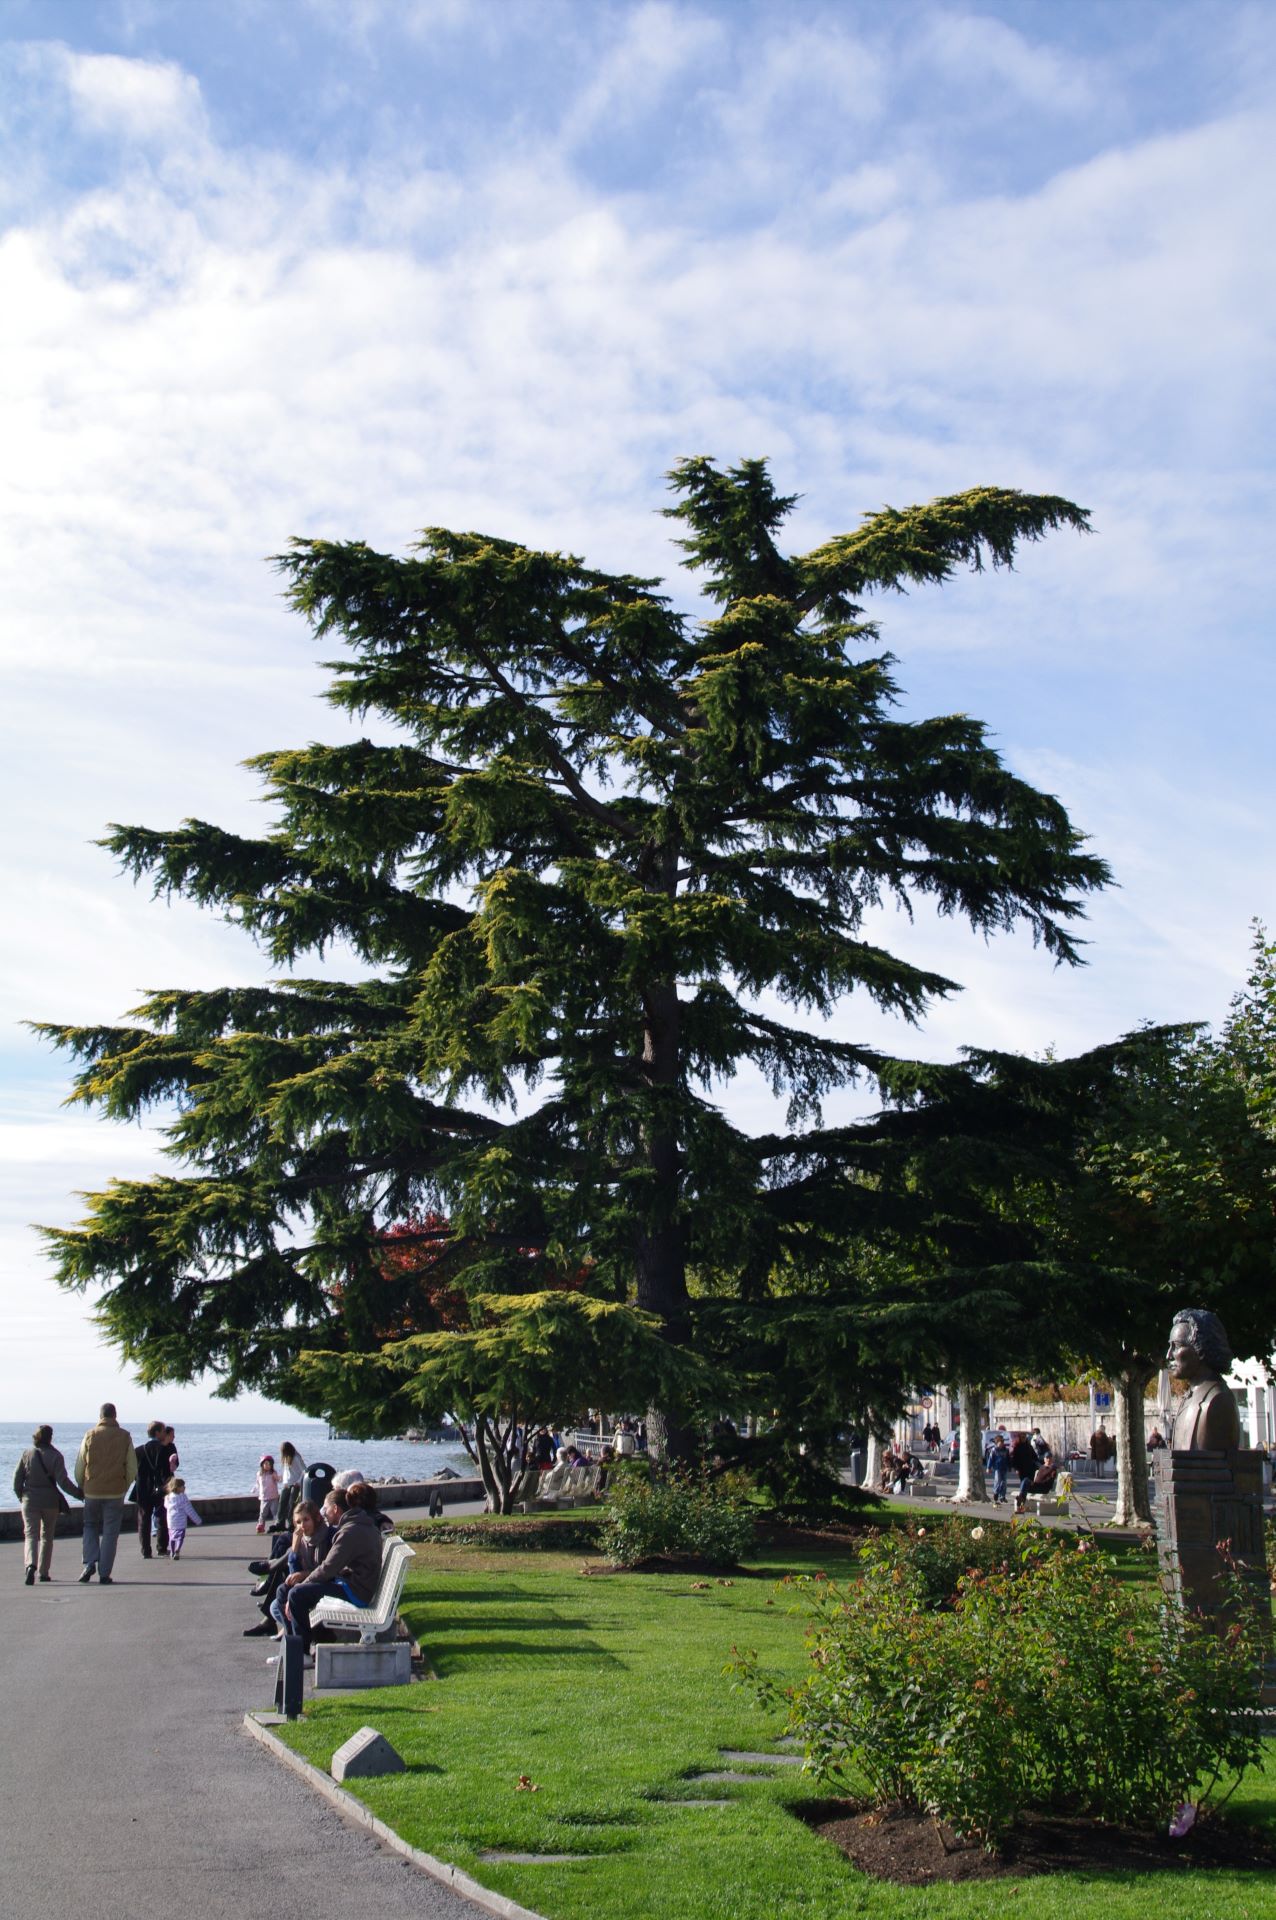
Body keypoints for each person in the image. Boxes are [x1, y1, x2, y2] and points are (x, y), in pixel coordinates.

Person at [282, 1483, 385, 1659]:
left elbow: (328, 1568)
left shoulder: (349, 1532)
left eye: (326, 1507)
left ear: (335, 1509)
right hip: (356, 1585)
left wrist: (301, 1584)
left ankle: (302, 1653)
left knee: (296, 1595)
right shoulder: (358, 1525)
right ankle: (299, 1647)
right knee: (288, 1591)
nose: (323, 1512)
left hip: (356, 1592)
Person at [244, 1500, 331, 1637]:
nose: (302, 1525)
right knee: (276, 1605)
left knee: (284, 1599)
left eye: (306, 1520)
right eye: (298, 1522)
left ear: (317, 1518)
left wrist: (305, 1574)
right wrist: (295, 1549)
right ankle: (293, 1643)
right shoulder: (304, 1539)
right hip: (309, 1584)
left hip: (324, 1585)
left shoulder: (326, 1537)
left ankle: (299, 1645)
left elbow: (326, 1570)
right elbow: (293, 1575)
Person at [76, 1403, 138, 1585]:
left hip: (92, 1491)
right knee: (111, 1533)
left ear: (100, 1416)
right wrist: (123, 1486)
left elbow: (80, 1465)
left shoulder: (90, 1435)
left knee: (89, 1526)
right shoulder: (125, 1436)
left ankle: (89, 1562)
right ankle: (104, 1573)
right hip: (115, 1492)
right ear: (115, 1415)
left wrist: (83, 1485)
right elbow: (132, 1467)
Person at [13, 1425, 81, 1585]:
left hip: (30, 1500)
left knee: (30, 1535)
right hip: (50, 1501)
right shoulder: (56, 1456)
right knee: (47, 1537)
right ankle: (43, 1572)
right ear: (51, 1438)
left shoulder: (27, 1453)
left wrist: (21, 1496)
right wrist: (78, 1494)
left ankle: (30, 1565)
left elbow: (17, 1479)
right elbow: (63, 1482)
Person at [132, 1420, 173, 1559]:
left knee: (144, 1518)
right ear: (157, 1432)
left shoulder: (138, 1450)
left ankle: (145, 1550)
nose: (164, 1433)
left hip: (142, 1487)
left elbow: (132, 1471)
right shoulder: (164, 1449)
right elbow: (166, 1473)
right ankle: (161, 1548)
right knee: (162, 1517)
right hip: (159, 1488)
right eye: (162, 1431)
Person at [164, 1477, 202, 1559]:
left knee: (172, 1537)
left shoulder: (168, 1497)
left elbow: (166, 1506)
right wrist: (197, 1520)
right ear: (177, 1487)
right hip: (181, 1522)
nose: (184, 1488)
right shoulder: (183, 1498)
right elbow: (189, 1510)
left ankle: (172, 1552)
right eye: (183, 1486)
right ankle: (177, 1550)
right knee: (180, 1537)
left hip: (171, 1522)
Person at [277, 1441, 305, 1530]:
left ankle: (291, 1524)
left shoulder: (296, 1458)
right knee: (282, 1502)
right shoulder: (285, 1458)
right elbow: (286, 1472)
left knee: (292, 1504)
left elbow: (304, 1470)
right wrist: (284, 1482)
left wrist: (298, 1482)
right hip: (288, 1484)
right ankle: (280, 1523)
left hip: (296, 1484)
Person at [1010, 1431, 1039, 1512]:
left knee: (1025, 1484)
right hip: (1021, 1469)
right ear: (1019, 1437)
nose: (1024, 1438)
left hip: (1031, 1469)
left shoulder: (1029, 1446)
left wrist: (1039, 1465)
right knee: (1024, 1483)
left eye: (1024, 1436)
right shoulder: (1016, 1447)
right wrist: (1016, 1468)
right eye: (1022, 1436)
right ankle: (1021, 1503)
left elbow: (1035, 1457)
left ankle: (1021, 1501)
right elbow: (1013, 1459)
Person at [254, 1454, 280, 1533]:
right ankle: (261, 1525)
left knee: (275, 1512)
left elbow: (278, 1479)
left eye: (269, 1464)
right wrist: (255, 1488)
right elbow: (257, 1483)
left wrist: (281, 1478)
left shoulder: (273, 1473)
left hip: (273, 1496)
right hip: (264, 1497)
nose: (267, 1466)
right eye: (265, 1464)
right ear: (262, 1465)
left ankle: (277, 1525)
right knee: (262, 1513)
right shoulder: (259, 1474)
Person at [988, 1433, 1010, 1505]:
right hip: (997, 1468)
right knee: (997, 1481)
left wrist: (1010, 1466)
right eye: (1000, 1443)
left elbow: (1008, 1459)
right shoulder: (994, 1450)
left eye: (1002, 1442)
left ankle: (1002, 1496)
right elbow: (990, 1459)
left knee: (1004, 1483)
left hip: (1004, 1468)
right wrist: (989, 1467)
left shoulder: (1006, 1450)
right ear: (997, 1443)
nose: (1002, 1444)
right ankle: (996, 1495)